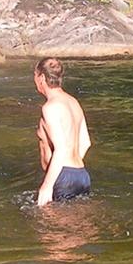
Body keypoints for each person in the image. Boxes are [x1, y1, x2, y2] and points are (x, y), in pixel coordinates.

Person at [33, 57, 91, 206]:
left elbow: (61, 149)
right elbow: (86, 143)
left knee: (49, 220)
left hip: (62, 177)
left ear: (41, 77)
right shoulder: (73, 102)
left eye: (35, 76)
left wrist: (47, 185)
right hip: (81, 175)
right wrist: (73, 171)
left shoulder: (50, 107)